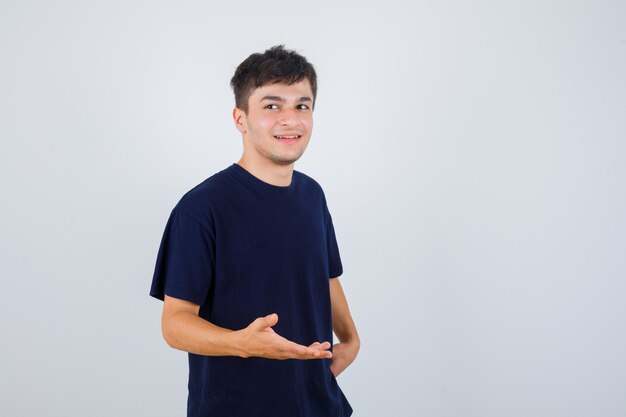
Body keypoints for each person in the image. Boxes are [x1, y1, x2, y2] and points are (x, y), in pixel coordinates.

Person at [149, 45, 360, 417]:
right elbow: (175, 324)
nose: (290, 120)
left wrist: (351, 339)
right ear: (240, 118)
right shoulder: (201, 208)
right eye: (272, 106)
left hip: (319, 404)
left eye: (302, 105)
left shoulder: (312, 194)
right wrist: (242, 343)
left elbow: (325, 277)